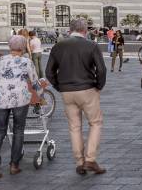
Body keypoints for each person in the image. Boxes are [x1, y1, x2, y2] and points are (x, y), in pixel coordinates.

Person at [45, 18, 107, 175]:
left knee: (74, 126)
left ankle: (79, 162)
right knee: (95, 123)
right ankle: (90, 160)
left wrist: (59, 86)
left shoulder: (58, 46)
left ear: (69, 29)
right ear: (85, 31)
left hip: (66, 91)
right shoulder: (91, 45)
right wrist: (99, 86)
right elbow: (101, 69)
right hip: (87, 88)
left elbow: (49, 72)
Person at [0, 35, 44, 179]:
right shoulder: (26, 62)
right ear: (23, 47)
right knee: (18, 130)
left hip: (0, 100)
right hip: (20, 99)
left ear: (10, 47)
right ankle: (14, 165)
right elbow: (35, 82)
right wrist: (40, 96)